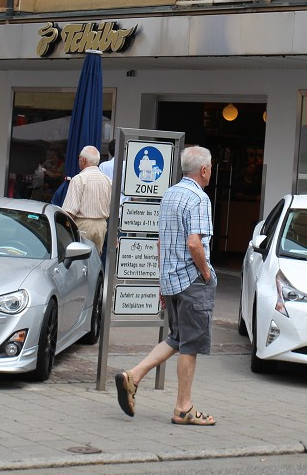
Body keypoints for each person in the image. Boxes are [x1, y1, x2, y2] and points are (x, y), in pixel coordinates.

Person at [114, 146, 218, 425]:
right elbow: (195, 243)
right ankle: (183, 408)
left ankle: (133, 376)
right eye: (210, 167)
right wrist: (206, 273)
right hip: (192, 280)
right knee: (190, 345)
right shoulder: (200, 198)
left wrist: (162, 281)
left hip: (171, 279)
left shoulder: (170, 194)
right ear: (204, 170)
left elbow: (161, 242)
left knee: (176, 337)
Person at [61, 145, 111, 253]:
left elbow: (70, 211)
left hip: (83, 225)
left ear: (83, 160)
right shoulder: (107, 180)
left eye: (79, 158)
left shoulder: (78, 179)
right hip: (101, 225)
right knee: (94, 261)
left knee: (78, 260)